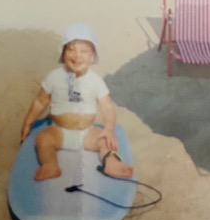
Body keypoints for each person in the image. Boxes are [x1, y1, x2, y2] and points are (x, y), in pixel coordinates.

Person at [20, 23, 134, 181]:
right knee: (43, 139)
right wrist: (27, 124)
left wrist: (109, 128)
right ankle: (50, 165)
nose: (76, 55)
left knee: (104, 140)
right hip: (59, 131)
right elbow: (40, 101)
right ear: (63, 52)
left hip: (86, 133)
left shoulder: (95, 81)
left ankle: (111, 162)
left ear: (93, 56)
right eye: (71, 49)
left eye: (84, 51)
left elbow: (107, 106)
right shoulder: (54, 77)